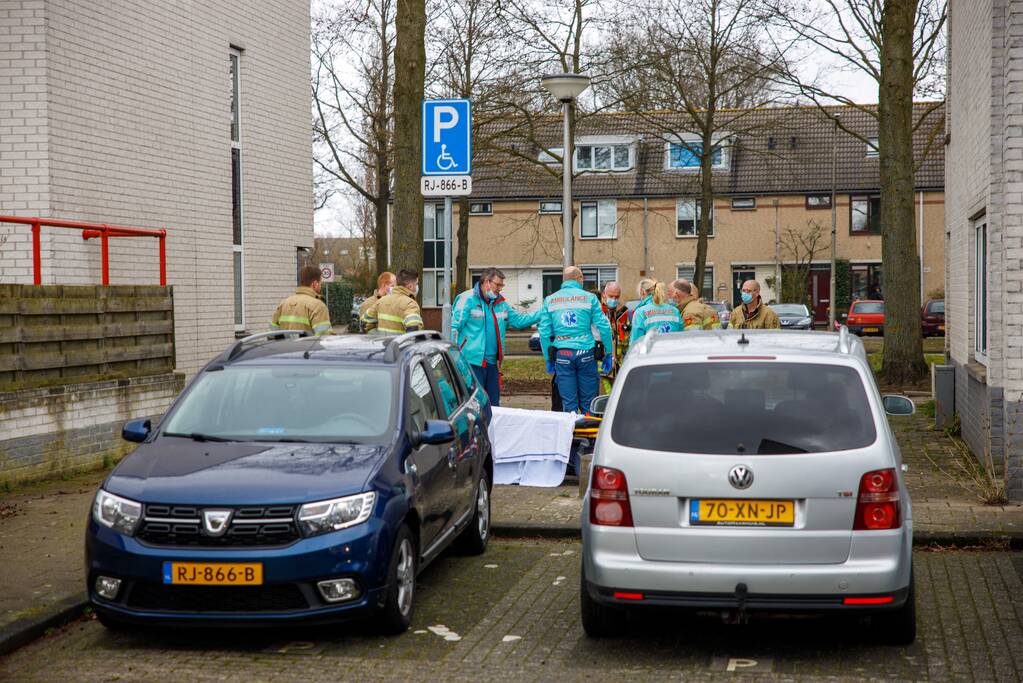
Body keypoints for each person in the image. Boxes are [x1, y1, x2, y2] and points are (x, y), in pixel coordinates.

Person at [451, 267, 540, 406]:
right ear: (486, 281)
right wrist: (453, 359)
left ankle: (491, 428)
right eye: (497, 285)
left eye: (501, 285)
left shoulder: (500, 303)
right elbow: (454, 328)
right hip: (471, 362)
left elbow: (519, 321)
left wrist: (543, 312)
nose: (500, 289)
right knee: (474, 405)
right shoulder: (467, 299)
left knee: (493, 406)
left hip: (492, 364)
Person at [538, 266, 614, 414]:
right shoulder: (590, 298)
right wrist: (608, 353)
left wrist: (548, 359)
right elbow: (604, 327)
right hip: (586, 353)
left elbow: (544, 332)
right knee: (589, 405)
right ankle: (590, 436)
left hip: (563, 356)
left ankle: (572, 436)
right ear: (579, 279)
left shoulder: (550, 300)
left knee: (569, 406)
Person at [270, 265, 333, 336]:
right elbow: (324, 338)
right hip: (308, 347)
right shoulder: (318, 306)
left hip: (285, 347)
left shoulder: (283, 304)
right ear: (315, 284)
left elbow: (271, 335)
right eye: (320, 283)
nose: (321, 286)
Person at [362, 269, 424, 334]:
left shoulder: (381, 301)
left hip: (381, 343)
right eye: (416, 284)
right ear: (410, 286)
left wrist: (376, 336)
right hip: (401, 344)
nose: (417, 287)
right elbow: (414, 332)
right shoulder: (410, 304)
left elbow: (364, 322)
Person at [599, 281, 631, 393]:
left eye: (617, 297)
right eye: (611, 296)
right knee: (602, 400)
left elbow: (627, 338)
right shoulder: (597, 312)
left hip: (619, 365)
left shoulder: (624, 312)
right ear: (604, 294)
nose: (614, 299)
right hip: (601, 364)